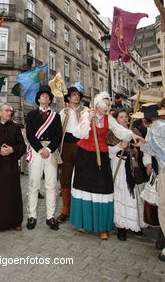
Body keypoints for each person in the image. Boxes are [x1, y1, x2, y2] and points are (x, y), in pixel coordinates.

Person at [70, 92, 145, 240]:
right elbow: (78, 134)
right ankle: (84, 223)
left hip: (102, 155)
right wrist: (88, 121)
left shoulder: (108, 118)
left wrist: (132, 136)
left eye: (108, 104)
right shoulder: (86, 115)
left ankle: (101, 226)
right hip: (85, 156)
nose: (107, 107)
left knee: (103, 189)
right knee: (84, 188)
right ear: (97, 104)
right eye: (105, 104)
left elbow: (119, 130)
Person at [106, 109, 148, 240]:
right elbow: (108, 152)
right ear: (116, 120)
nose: (124, 119)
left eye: (126, 117)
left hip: (134, 168)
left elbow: (144, 149)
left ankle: (134, 224)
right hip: (119, 166)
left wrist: (136, 150)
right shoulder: (111, 133)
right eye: (121, 117)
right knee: (121, 194)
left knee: (135, 195)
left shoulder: (134, 131)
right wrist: (119, 146)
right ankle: (121, 227)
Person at [26, 85, 62, 231]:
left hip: (51, 152)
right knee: (34, 185)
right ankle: (32, 216)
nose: (45, 98)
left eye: (47, 96)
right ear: (38, 99)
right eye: (42, 96)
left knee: (51, 185)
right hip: (36, 151)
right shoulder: (31, 115)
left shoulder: (56, 116)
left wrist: (48, 149)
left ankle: (50, 217)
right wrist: (40, 149)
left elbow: (58, 135)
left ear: (50, 99)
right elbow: (29, 134)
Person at [0, 102, 26, 233]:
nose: (10, 113)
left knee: (12, 194)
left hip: (11, 166)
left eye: (10, 111)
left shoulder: (15, 127)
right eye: (6, 111)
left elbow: (22, 146)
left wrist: (12, 149)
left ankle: (15, 222)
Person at [138, 100, 165, 261]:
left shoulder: (157, 126)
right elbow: (148, 148)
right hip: (161, 171)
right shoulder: (154, 127)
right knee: (162, 206)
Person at [57, 87, 85, 223]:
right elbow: (58, 131)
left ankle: (80, 209)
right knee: (65, 178)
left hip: (81, 146)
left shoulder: (85, 111)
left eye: (78, 95)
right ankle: (65, 210)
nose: (76, 97)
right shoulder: (63, 112)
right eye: (73, 95)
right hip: (66, 146)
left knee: (81, 177)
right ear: (68, 98)